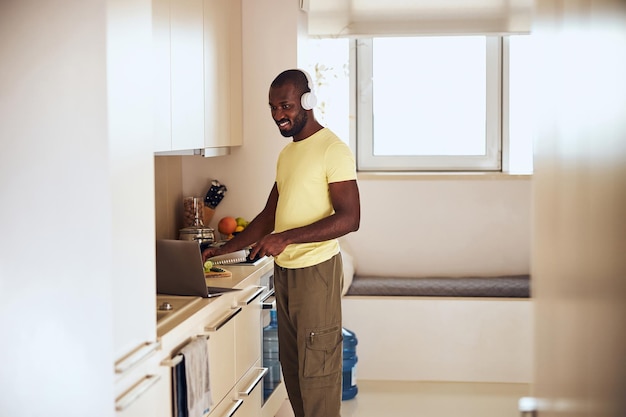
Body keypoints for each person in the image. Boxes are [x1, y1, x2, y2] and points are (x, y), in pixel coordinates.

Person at [202, 68, 360, 417]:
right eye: (272, 107)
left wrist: (285, 238)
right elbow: (268, 216)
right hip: (286, 272)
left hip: (316, 271)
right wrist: (225, 249)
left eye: (285, 106)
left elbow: (350, 218)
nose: (278, 115)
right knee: (293, 369)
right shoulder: (288, 155)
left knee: (317, 373)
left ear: (307, 101)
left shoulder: (332, 149)